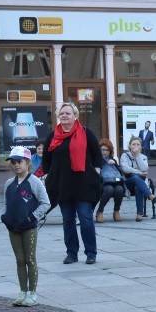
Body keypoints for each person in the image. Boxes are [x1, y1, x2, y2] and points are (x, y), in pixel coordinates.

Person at [42, 102, 103, 265]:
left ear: (75, 116)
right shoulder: (53, 136)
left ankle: (91, 253)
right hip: (63, 185)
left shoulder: (85, 132)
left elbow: (97, 154)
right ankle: (71, 253)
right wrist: (49, 175)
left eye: (67, 113)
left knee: (85, 219)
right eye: (61, 114)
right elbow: (46, 159)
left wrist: (96, 172)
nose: (64, 116)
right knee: (68, 220)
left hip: (83, 183)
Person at [0, 146, 50, 307]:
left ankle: (32, 293)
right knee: (19, 260)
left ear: (27, 163)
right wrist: (5, 216)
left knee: (30, 259)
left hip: (29, 227)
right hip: (13, 226)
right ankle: (22, 291)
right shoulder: (9, 183)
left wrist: (32, 217)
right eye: (13, 162)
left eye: (19, 162)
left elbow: (45, 203)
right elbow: (6, 203)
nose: (16, 165)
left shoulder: (34, 182)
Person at [120, 136, 156, 222]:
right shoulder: (124, 155)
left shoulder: (143, 157)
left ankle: (139, 214)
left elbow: (144, 168)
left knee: (138, 187)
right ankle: (150, 195)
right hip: (128, 183)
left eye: (138, 144)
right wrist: (139, 172)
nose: (135, 146)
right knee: (136, 177)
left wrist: (137, 156)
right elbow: (125, 169)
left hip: (139, 184)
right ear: (130, 146)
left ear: (141, 146)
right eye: (133, 144)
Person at [95, 139, 125, 223]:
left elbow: (119, 172)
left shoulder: (112, 159)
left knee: (119, 190)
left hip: (115, 181)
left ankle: (116, 211)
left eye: (107, 150)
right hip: (102, 183)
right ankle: (100, 212)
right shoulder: (96, 159)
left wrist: (115, 164)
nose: (105, 152)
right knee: (109, 190)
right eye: (103, 150)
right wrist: (105, 163)